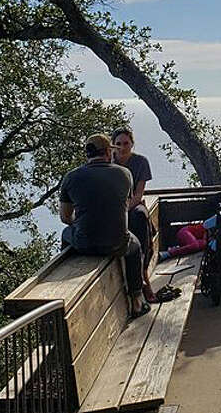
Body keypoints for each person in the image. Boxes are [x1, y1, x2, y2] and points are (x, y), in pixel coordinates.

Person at [59, 133, 148, 318]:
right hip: (117, 243)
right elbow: (124, 204)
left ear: (87, 154)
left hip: (84, 244)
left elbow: (65, 217)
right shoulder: (125, 174)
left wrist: (85, 221)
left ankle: (64, 275)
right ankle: (137, 299)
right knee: (136, 246)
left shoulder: (71, 177)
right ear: (108, 152)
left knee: (66, 233)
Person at [112, 127, 158, 304]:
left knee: (140, 217)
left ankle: (144, 273)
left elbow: (138, 194)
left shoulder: (140, 162)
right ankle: (138, 281)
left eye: (126, 143)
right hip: (114, 209)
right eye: (118, 144)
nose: (122, 147)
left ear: (132, 143)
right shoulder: (108, 163)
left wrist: (124, 209)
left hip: (133, 204)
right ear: (113, 145)